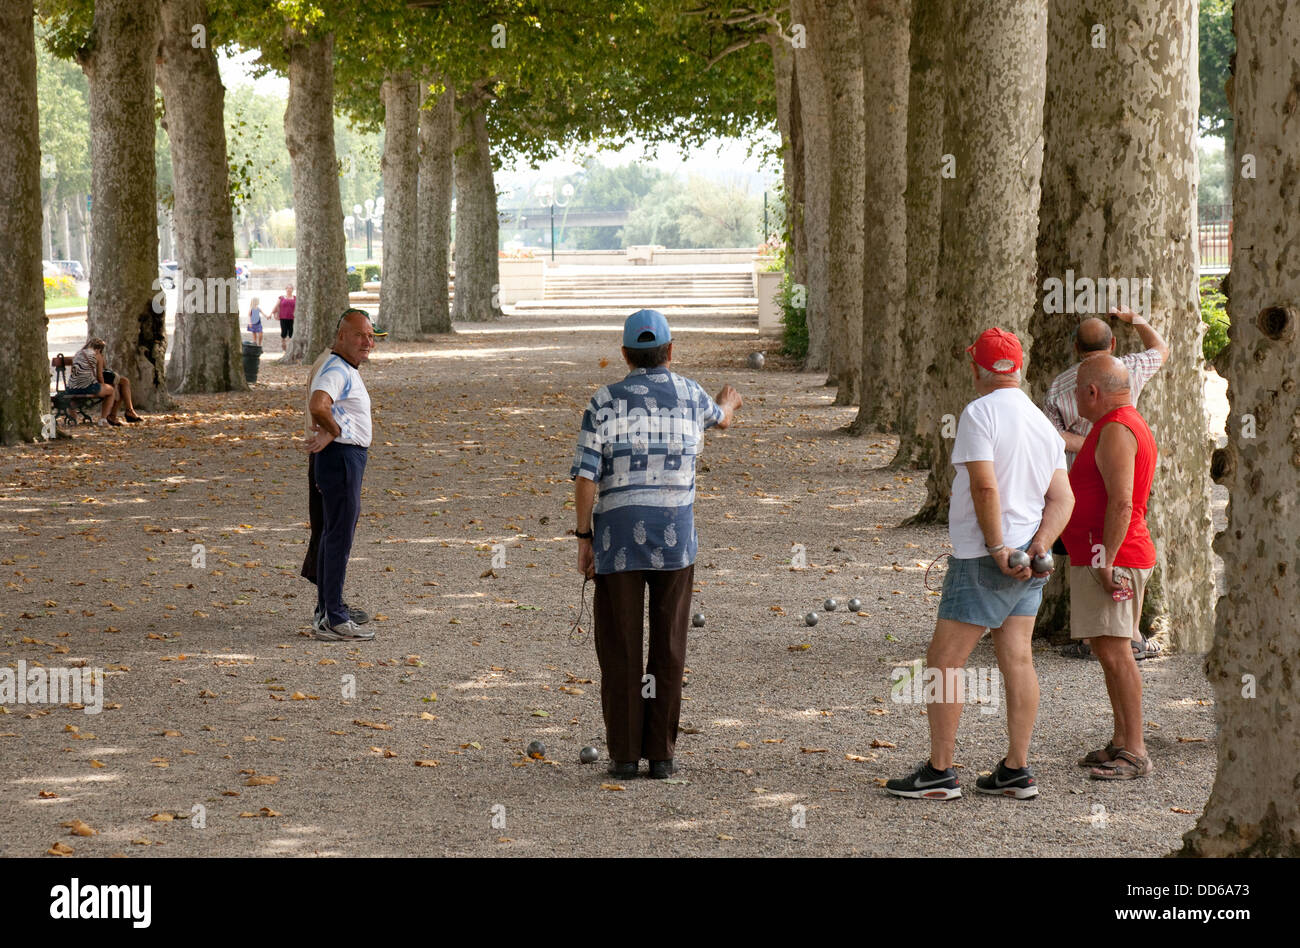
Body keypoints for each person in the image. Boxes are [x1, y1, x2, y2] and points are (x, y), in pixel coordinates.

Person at [886, 328, 1073, 801]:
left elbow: (985, 487)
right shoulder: (1040, 422)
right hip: (1031, 558)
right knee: (1018, 658)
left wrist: (995, 548)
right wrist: (1039, 547)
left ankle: (940, 773)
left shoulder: (978, 413)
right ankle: (1016, 769)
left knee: (945, 662)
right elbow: (1062, 497)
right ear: (1022, 365)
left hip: (984, 558)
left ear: (976, 368)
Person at [569, 309, 742, 780]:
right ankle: (661, 756)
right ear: (670, 351)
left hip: (617, 538)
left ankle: (624, 755)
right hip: (675, 542)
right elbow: (720, 420)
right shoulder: (690, 394)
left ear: (624, 355)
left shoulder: (603, 401)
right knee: (668, 645)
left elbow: (586, 477)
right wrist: (729, 402)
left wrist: (584, 537)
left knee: (620, 644)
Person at [1042, 306, 1168, 660]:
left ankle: (1121, 639)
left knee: (1116, 532)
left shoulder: (1062, 385)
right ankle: (1103, 636)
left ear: (1074, 349)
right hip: (1106, 490)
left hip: (1099, 490)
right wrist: (1137, 320)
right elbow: (1161, 348)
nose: (1079, 395)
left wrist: (1095, 447)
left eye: (1084, 392)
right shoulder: (1132, 368)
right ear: (1112, 343)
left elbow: (1053, 436)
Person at [1063, 357, 1157, 780]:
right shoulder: (1117, 424)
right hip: (1103, 554)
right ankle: (1121, 740)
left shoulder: (1118, 429)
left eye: (1077, 388)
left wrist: (1107, 560)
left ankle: (1135, 751)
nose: (1074, 396)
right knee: (1107, 649)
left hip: (1113, 557)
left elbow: (1122, 503)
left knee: (1118, 652)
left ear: (1093, 392)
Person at [303, 310, 377, 641]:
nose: (368, 342)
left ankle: (327, 613)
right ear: (341, 336)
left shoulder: (344, 368)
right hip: (342, 458)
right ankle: (333, 615)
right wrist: (334, 431)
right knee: (338, 537)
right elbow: (319, 404)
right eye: (361, 335)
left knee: (332, 535)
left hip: (343, 457)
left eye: (372, 336)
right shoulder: (335, 368)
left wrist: (333, 430)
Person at [65, 338, 142, 427]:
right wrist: (103, 385)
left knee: (121, 382)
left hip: (71, 388)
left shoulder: (78, 354)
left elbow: (73, 373)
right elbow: (100, 375)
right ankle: (104, 419)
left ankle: (74, 418)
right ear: (99, 349)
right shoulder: (97, 355)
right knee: (111, 390)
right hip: (88, 387)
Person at [271, 284, 296, 352]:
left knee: (291, 332)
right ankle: (283, 344)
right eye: (287, 288)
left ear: (292, 290)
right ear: (286, 289)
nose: (289, 290)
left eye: (290, 288)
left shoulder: (295, 298)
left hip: (292, 317)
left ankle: (290, 347)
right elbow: (276, 305)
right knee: (284, 332)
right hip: (283, 317)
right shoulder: (281, 297)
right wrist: (271, 313)